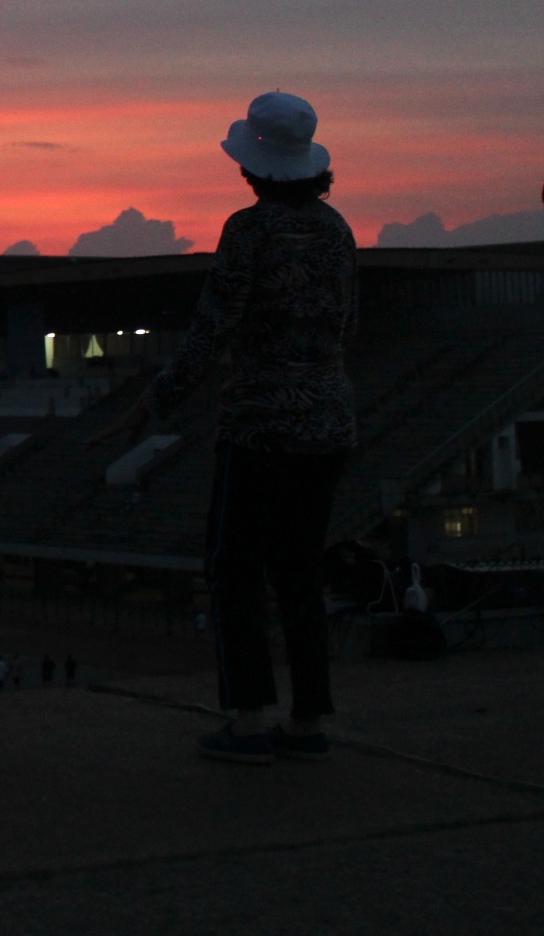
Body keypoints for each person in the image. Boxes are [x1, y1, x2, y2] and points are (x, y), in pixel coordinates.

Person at [91, 92, 357, 766]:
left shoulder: (248, 231)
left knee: (234, 567)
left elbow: (211, 333)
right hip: (327, 419)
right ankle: (306, 718)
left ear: (252, 166)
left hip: (260, 425)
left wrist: (150, 406)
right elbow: (344, 326)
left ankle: (246, 717)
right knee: (298, 568)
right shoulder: (337, 230)